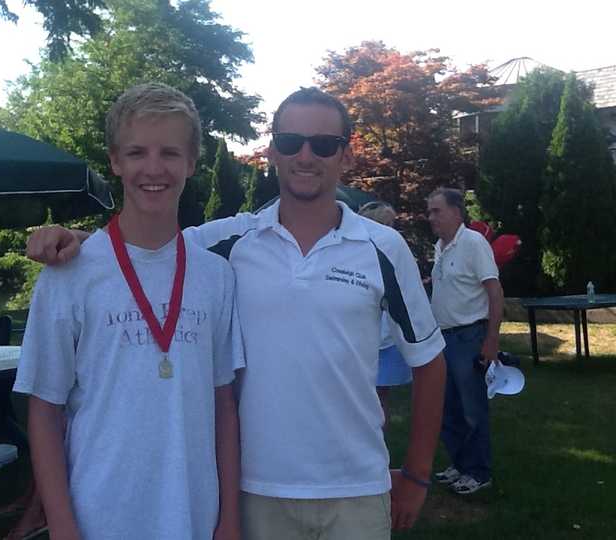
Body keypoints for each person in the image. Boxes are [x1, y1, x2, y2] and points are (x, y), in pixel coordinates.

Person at [26, 87, 447, 538]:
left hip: (356, 486)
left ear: (344, 154)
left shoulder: (383, 247)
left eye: (323, 144)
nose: (306, 155)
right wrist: (76, 239)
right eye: (291, 142)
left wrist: (418, 475)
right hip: (257, 489)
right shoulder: (232, 243)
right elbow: (144, 247)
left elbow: (429, 361)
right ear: (272, 150)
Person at [13, 82, 243, 540]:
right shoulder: (68, 274)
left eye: (170, 153)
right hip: (101, 514)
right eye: (137, 152)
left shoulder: (216, 275)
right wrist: (61, 524)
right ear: (115, 161)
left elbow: (223, 405)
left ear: (192, 163)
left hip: (195, 514)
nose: (153, 169)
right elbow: (44, 409)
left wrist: (230, 519)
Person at [427, 187, 504, 495]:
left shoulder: (473, 243)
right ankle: (459, 464)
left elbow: (494, 291)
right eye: (429, 211)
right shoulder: (440, 246)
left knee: (472, 408)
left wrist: (492, 339)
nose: (430, 217)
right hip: (442, 340)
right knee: (448, 409)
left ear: (457, 212)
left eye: (436, 211)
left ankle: (478, 471)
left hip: (469, 337)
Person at [358, 201, 413, 429]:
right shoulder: (353, 253)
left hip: (385, 339)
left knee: (380, 397)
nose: (392, 229)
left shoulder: (394, 251)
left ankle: (379, 447)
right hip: (359, 340)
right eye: (387, 224)